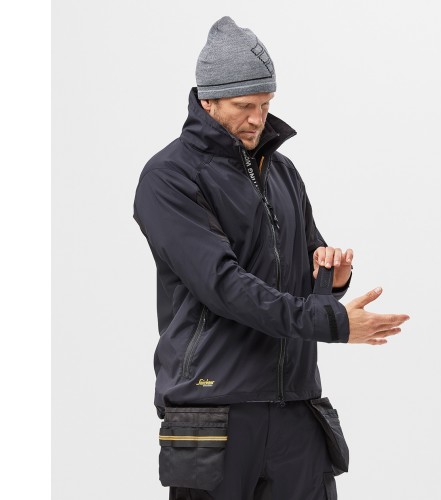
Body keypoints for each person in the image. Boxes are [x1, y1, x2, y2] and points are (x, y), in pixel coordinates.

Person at [133, 16, 410, 500]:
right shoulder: (169, 178)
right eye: (244, 106)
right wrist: (334, 323)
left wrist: (330, 277)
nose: (258, 119)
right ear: (207, 101)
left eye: (265, 104)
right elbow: (224, 286)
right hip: (213, 408)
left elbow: (302, 266)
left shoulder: (282, 172)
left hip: (296, 406)